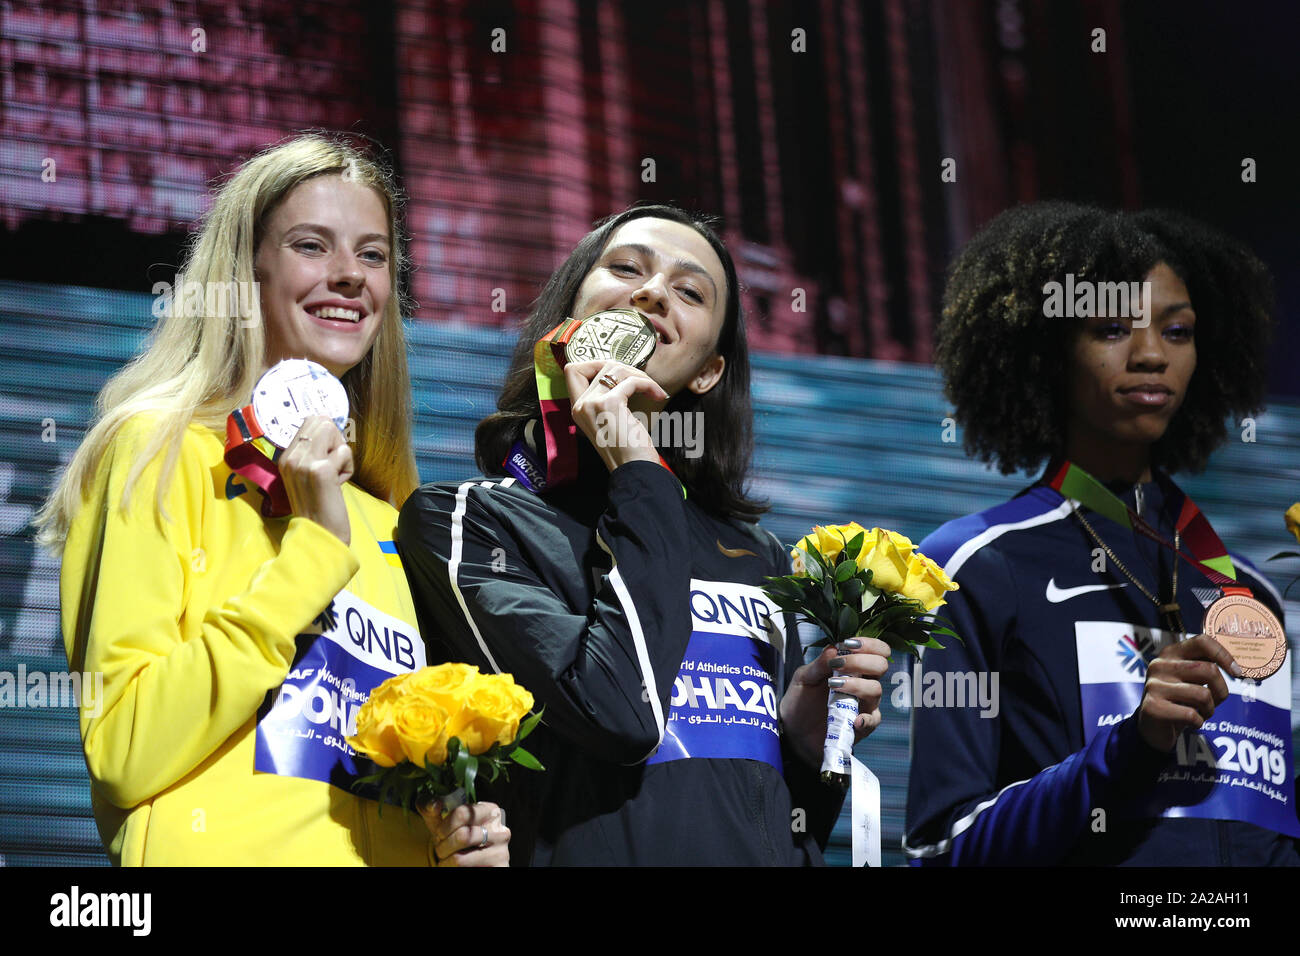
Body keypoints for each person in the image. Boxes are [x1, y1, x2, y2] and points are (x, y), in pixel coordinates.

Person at [36, 134, 507, 866]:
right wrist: (314, 550)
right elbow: (127, 748)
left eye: (374, 255)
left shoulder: (388, 520)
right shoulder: (156, 452)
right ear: (245, 271)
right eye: (311, 246)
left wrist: (447, 841)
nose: (350, 276)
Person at [397, 204, 889, 865]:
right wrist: (636, 463)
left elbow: (776, 825)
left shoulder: (759, 556)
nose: (653, 291)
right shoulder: (468, 523)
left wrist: (800, 746)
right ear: (566, 319)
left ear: (708, 371)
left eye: (690, 292)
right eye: (626, 269)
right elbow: (617, 715)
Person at [905, 201, 1298, 865]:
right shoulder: (971, 564)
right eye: (1113, 328)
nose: (1151, 355)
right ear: (1047, 353)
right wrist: (1128, 749)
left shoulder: (1248, 590)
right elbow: (941, 847)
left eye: (1178, 331)